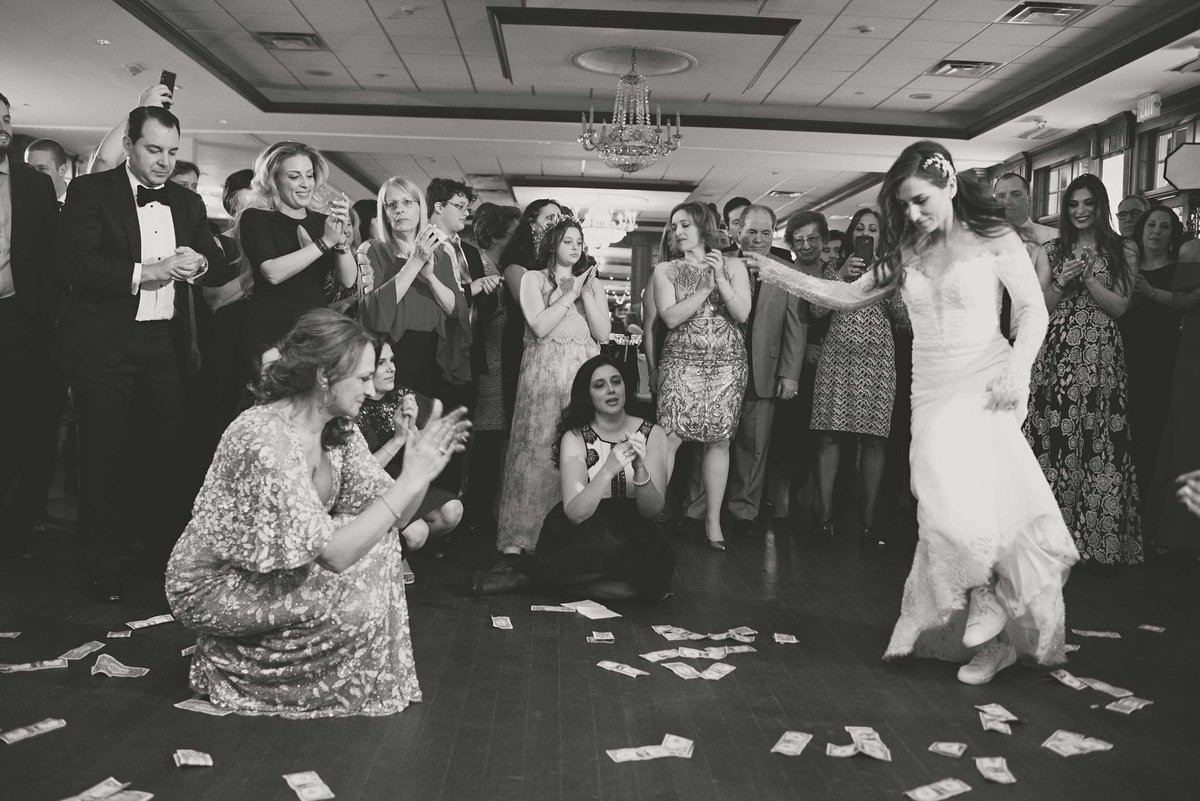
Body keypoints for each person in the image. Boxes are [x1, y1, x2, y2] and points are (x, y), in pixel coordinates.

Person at [747, 140, 1077, 686]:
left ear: (948, 185)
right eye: (903, 206)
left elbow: (1033, 312)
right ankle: (993, 637)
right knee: (939, 501)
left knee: (964, 494)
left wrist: (1018, 373)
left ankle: (991, 599)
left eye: (921, 201)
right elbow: (848, 296)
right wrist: (772, 270)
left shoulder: (994, 238)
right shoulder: (908, 253)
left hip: (986, 378)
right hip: (929, 386)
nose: (913, 214)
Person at [165, 310, 470, 717]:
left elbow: (394, 519)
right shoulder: (264, 436)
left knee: (380, 544)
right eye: (362, 377)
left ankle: (326, 674)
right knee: (363, 564)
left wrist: (416, 475)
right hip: (220, 582)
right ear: (325, 377)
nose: (370, 386)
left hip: (271, 568)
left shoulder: (339, 426)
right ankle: (238, 666)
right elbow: (335, 554)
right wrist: (409, 481)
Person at [58, 105, 228, 602]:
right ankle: (100, 566)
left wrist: (196, 263)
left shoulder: (188, 202)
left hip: (168, 347)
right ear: (129, 145)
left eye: (172, 152)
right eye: (154, 150)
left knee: (165, 456)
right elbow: (75, 264)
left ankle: (161, 560)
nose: (164, 162)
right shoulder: (92, 192)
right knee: (104, 457)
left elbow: (212, 262)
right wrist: (145, 272)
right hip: (108, 344)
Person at [470, 355, 675, 600]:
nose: (610, 390)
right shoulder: (575, 437)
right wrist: (608, 469)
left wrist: (640, 469)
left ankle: (532, 581)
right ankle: (540, 580)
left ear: (625, 386)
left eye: (615, 381)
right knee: (606, 557)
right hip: (587, 529)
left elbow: (651, 511)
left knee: (651, 585)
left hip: (634, 530)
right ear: (587, 395)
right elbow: (576, 514)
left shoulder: (654, 434)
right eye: (599, 385)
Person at [1026, 173, 1142, 566]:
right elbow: (1038, 309)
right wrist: (1060, 280)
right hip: (1056, 359)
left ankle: (1097, 544)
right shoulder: (1053, 248)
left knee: (1099, 443)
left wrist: (1089, 279)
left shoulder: (1123, 248)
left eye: (1087, 203)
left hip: (1100, 359)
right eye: (1073, 204)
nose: (1079, 211)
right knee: (1054, 441)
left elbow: (1120, 307)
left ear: (1100, 206)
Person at [495, 219, 609, 556]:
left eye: (579, 242)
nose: (575, 247)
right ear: (552, 244)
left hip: (580, 378)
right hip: (543, 379)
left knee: (576, 453)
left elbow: (602, 335)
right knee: (539, 451)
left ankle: (571, 534)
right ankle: (524, 536)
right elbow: (539, 326)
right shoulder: (533, 279)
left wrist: (586, 294)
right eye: (568, 241)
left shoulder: (593, 285)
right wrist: (569, 293)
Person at [654, 201, 751, 551]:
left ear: (703, 227)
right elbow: (669, 318)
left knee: (720, 440)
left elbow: (741, 314)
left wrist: (721, 279)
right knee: (670, 437)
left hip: (727, 363)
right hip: (681, 360)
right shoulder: (666, 269)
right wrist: (703, 290)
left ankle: (713, 521)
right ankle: (652, 516)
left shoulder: (735, 265)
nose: (677, 232)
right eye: (674, 226)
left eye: (685, 225)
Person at [809, 208, 897, 547]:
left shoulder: (892, 269)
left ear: (880, 236)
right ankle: (824, 517)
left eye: (873, 228)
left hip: (877, 361)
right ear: (852, 235)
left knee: (875, 440)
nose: (866, 232)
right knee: (829, 437)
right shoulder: (835, 268)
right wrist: (841, 276)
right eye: (860, 227)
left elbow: (904, 318)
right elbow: (816, 311)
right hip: (837, 357)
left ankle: (869, 521)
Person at [0, 91, 60, 559]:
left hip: (18, 318)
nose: (3, 126)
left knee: (18, 425)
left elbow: (46, 256)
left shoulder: (31, 183)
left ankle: (14, 529)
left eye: (6, 119)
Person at [726, 204, 807, 536]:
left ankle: (744, 512)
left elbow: (796, 327)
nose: (758, 239)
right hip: (720, 368)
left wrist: (790, 373)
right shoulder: (721, 263)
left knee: (754, 446)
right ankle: (700, 509)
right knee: (710, 444)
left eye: (765, 232)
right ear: (738, 231)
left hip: (765, 368)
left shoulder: (786, 271)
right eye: (751, 231)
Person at [240, 141, 356, 361]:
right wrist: (325, 242)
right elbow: (272, 272)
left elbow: (348, 280)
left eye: (309, 175)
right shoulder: (256, 218)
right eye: (294, 177)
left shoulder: (322, 221)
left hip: (317, 329)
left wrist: (340, 242)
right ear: (273, 180)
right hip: (273, 330)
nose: (305, 184)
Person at [357, 176, 467, 398]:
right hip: (393, 353)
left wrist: (431, 278)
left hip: (435, 351)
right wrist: (415, 262)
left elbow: (458, 310)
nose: (400, 210)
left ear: (420, 209)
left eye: (407, 203)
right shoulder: (372, 249)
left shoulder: (442, 252)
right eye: (392, 204)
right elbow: (373, 314)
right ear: (385, 213)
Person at [355, 337, 463, 550]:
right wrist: (398, 439)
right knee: (417, 532)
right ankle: (396, 553)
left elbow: (428, 444)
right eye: (381, 363)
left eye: (392, 360)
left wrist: (417, 430)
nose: (391, 368)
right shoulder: (354, 406)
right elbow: (360, 472)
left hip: (401, 480)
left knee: (453, 511)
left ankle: (399, 551)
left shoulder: (403, 395)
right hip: (369, 488)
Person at [1120, 206, 1185, 505]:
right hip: (1124, 355)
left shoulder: (1178, 268)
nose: (1156, 231)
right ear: (1141, 229)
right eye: (1151, 225)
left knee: (1153, 434)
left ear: (1173, 234)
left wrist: (1148, 291)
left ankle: (1148, 508)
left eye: (1164, 227)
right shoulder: (1125, 265)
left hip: (1164, 359)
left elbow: (1189, 305)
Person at [468, 202, 521, 529]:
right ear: (500, 234)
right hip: (489, 362)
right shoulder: (484, 267)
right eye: (515, 232)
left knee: (493, 441)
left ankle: (483, 510)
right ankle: (476, 513)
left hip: (500, 362)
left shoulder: (499, 266)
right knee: (486, 442)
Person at [499, 198, 562, 419]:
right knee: (523, 409)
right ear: (531, 222)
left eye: (559, 218)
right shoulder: (516, 260)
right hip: (521, 338)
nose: (556, 223)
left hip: (550, 342)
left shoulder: (553, 261)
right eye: (549, 217)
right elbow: (527, 307)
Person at [992, 172, 1056, 251]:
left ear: (1028, 200)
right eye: (1001, 196)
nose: (1007, 202)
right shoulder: (984, 240)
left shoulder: (1053, 236)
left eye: (1015, 195)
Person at [23, 138, 69, 203]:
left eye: (42, 169)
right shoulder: (22, 202)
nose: (33, 175)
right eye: (30, 169)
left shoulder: (82, 203)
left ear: (62, 170)